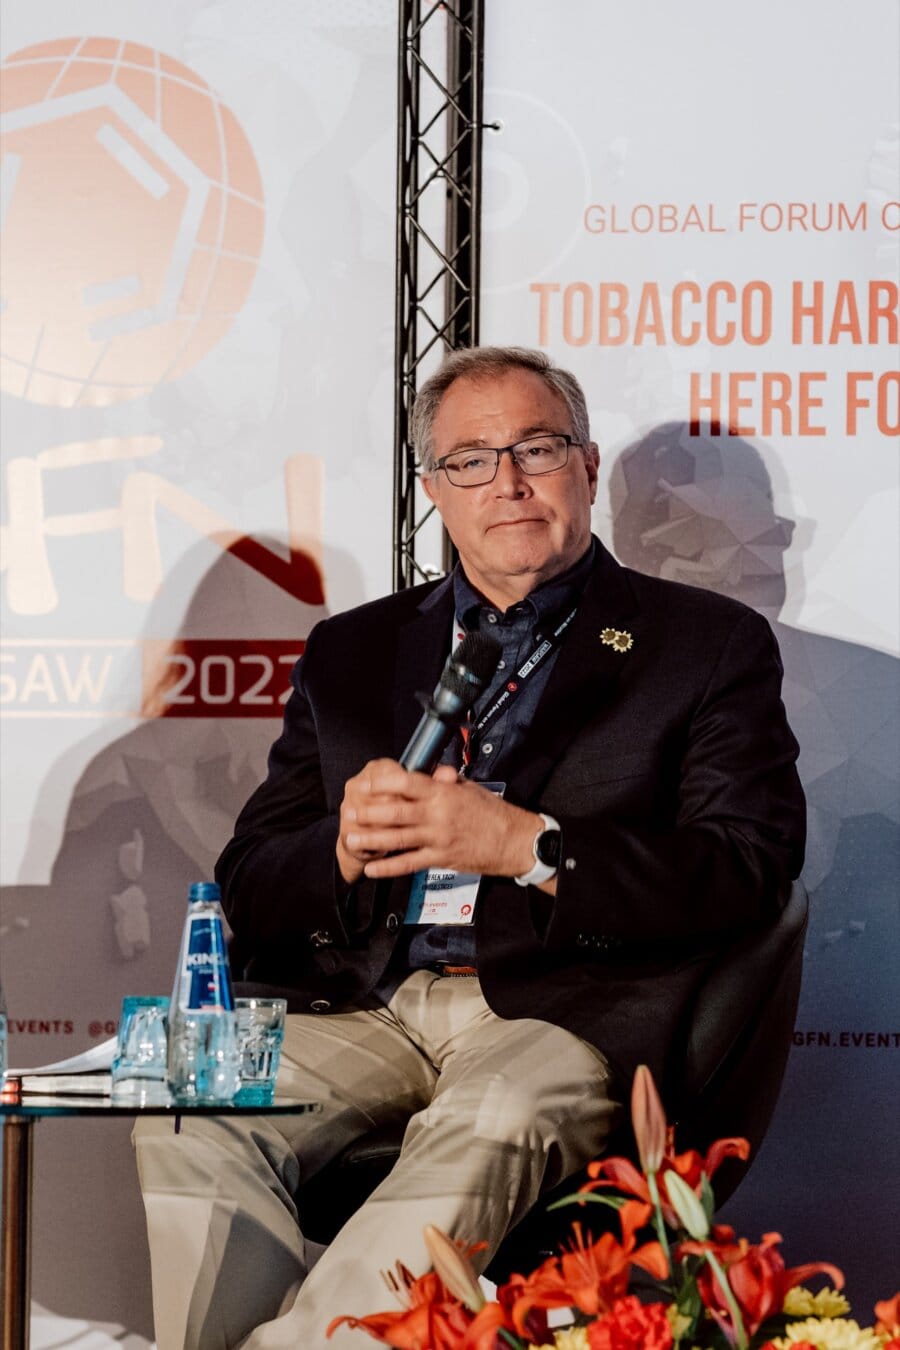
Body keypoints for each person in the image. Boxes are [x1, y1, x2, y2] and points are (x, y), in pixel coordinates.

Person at [134, 346, 805, 1348]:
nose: (509, 482)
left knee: (487, 1121)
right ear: (431, 490)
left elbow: (747, 871)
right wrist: (342, 852)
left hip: (560, 1006)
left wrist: (527, 845)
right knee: (189, 1118)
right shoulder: (354, 652)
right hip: (364, 999)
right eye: (472, 460)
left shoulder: (703, 645)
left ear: (583, 465)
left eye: (535, 449)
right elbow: (252, 879)